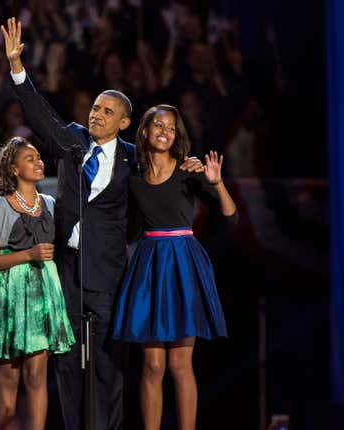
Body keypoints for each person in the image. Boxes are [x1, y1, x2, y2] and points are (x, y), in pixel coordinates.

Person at [0, 17, 203, 430]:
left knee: (110, 365)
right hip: (68, 270)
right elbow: (39, 114)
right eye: (95, 108)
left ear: (124, 123)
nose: (97, 115)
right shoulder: (72, 140)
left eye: (108, 112)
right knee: (68, 364)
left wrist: (192, 167)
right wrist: (17, 68)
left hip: (111, 273)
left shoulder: (136, 158)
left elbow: (165, 174)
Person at [112, 105, 237, 430]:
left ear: (177, 133)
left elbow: (231, 217)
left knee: (181, 365)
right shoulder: (134, 178)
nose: (164, 131)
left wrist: (218, 183)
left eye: (170, 126)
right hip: (149, 267)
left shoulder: (189, 170)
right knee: (153, 366)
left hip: (183, 264)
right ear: (144, 131)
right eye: (157, 125)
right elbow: (129, 230)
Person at [0, 137, 75, 430]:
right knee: (9, 376)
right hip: (10, 294)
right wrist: (28, 254)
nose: (38, 162)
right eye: (29, 158)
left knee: (37, 375)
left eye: (39, 157)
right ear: (14, 169)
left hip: (43, 294)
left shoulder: (51, 204)